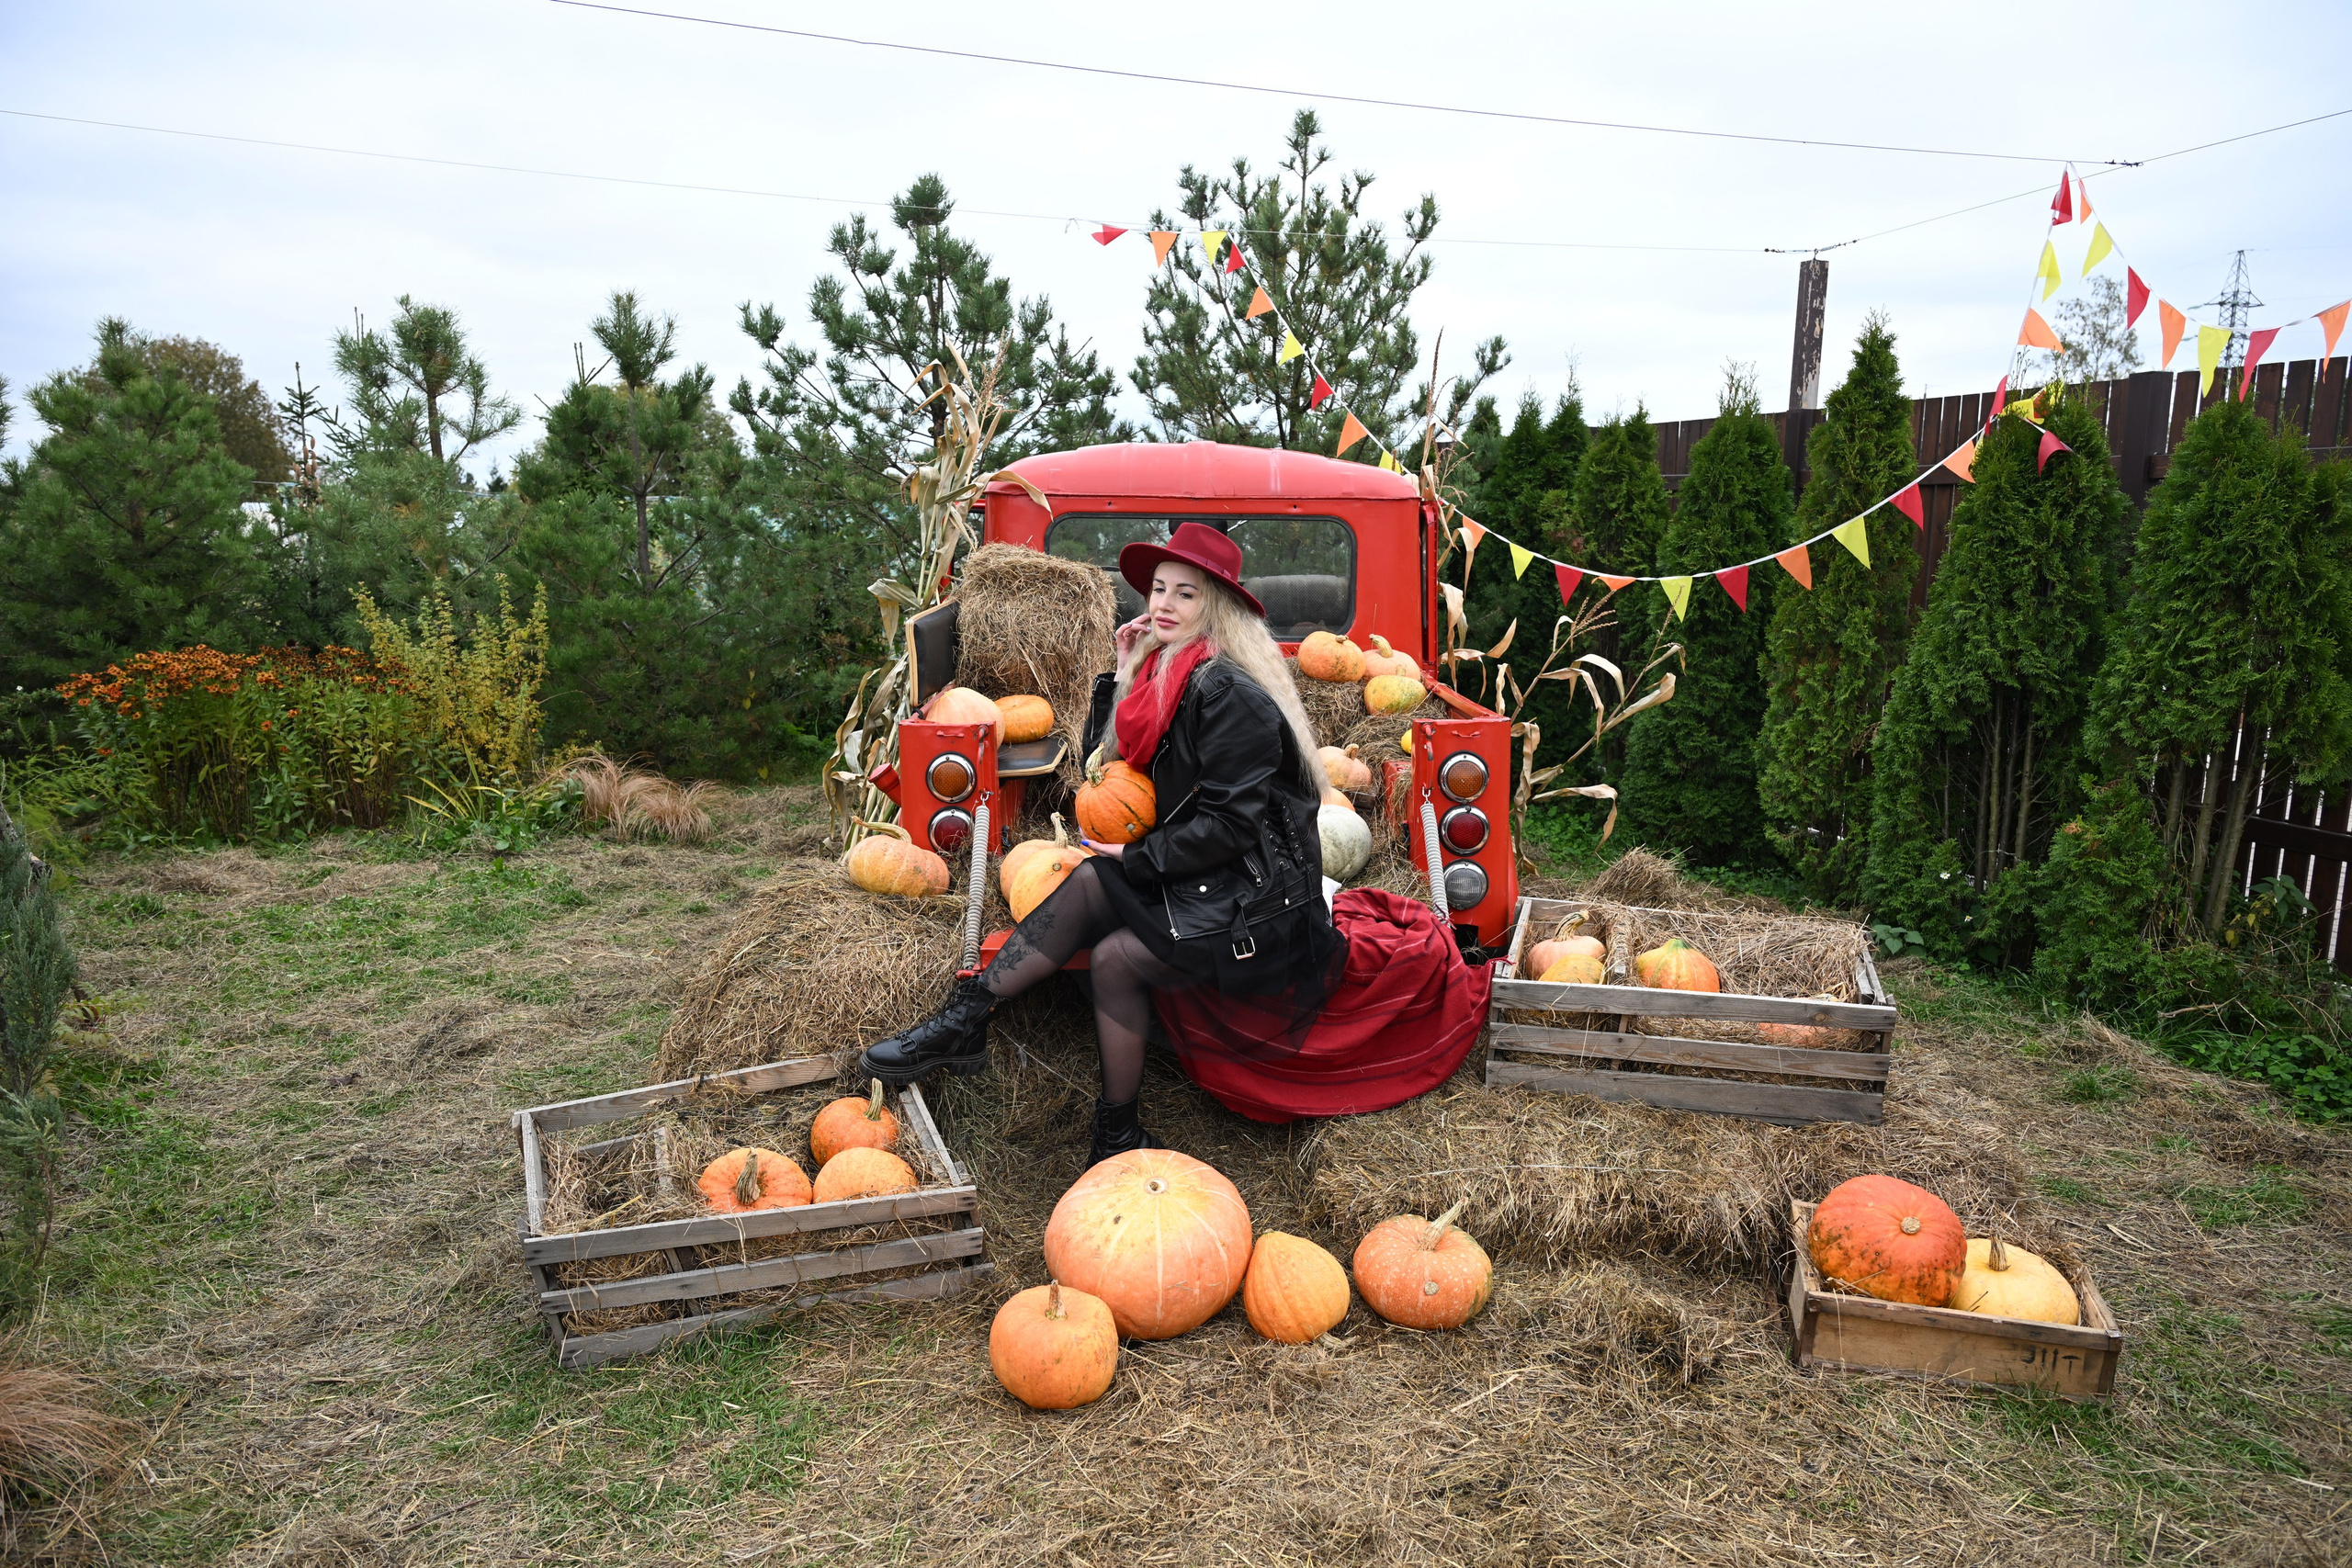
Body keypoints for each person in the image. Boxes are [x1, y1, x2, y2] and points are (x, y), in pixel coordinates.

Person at [860, 522, 1342, 1167]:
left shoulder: (1229, 694)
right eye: (1158, 590)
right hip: (1207, 871)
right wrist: (1120, 672)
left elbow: (1233, 827)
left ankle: (966, 1023)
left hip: (1259, 897)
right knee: (1111, 944)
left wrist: (1139, 860)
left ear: (1216, 609)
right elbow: (1102, 768)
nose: (1163, 605)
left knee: (1100, 905)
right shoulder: (1167, 673)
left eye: (1186, 595)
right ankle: (1106, 1124)